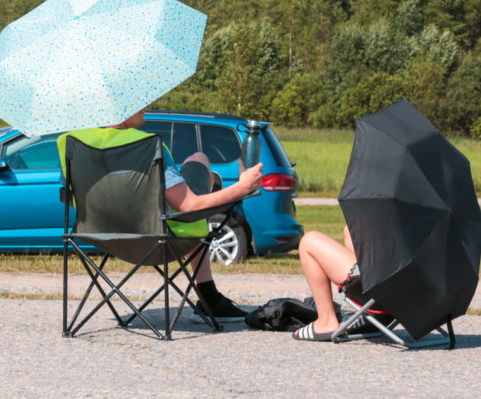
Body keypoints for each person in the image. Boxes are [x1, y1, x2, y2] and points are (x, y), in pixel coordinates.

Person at [106, 108, 263, 322]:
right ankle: (209, 297)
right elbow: (190, 206)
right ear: (121, 109)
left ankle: (209, 297)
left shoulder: (73, 145)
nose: (145, 108)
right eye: (138, 104)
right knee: (199, 161)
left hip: (104, 237)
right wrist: (242, 188)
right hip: (157, 237)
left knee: (193, 181)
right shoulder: (147, 146)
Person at [292, 225, 391, 341]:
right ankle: (376, 315)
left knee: (309, 241)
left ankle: (326, 321)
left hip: (382, 291)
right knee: (352, 230)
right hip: (405, 295)